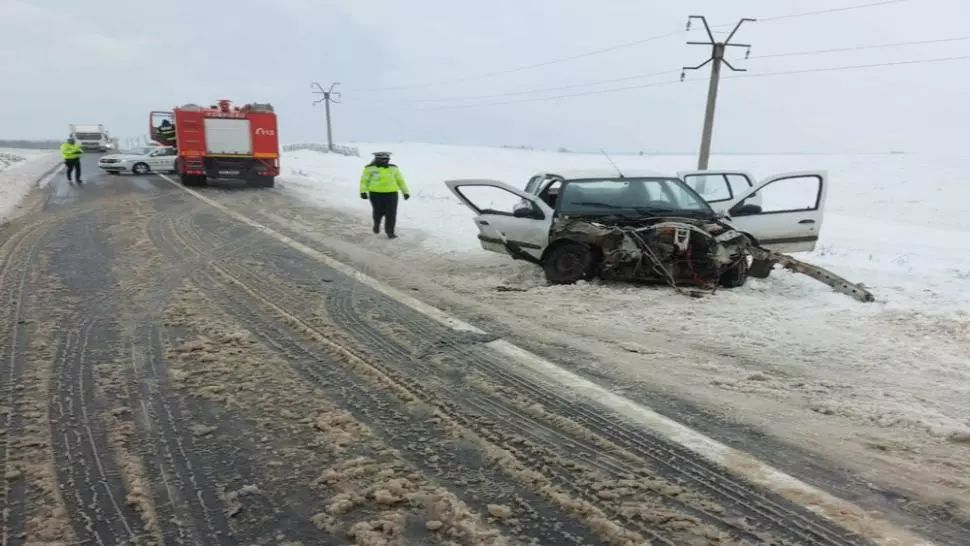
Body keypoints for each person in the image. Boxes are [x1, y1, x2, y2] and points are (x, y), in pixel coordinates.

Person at [359, 152, 410, 239]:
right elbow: (364, 181)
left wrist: (405, 192)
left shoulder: (393, 169)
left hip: (392, 194)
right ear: (377, 159)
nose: (385, 161)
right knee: (378, 212)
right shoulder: (369, 169)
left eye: (386, 159)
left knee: (391, 214)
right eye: (382, 159)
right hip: (375, 194)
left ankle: (390, 232)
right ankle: (377, 224)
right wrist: (363, 191)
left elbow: (400, 181)